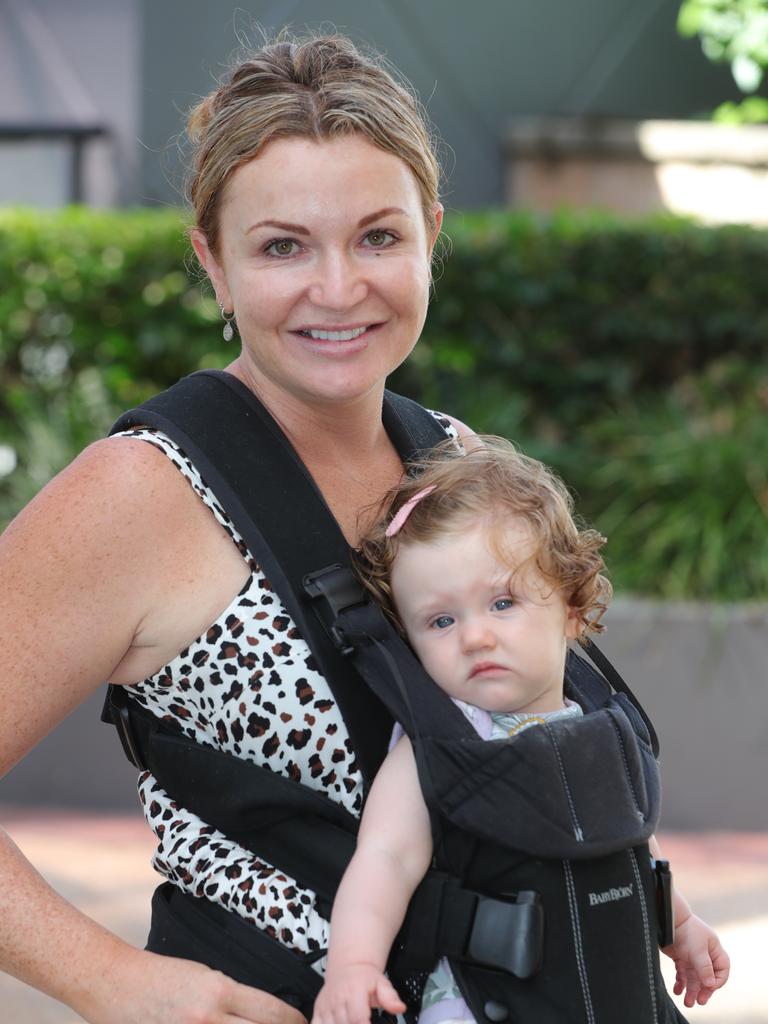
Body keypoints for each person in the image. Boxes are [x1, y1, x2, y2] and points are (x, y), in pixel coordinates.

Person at [0, 29, 725, 1024]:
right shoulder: (143, 491)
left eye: (378, 237)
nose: (338, 288)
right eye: (282, 246)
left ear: (432, 232)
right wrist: (112, 983)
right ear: (212, 262)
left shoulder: (456, 461)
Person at [311, 437, 730, 1024]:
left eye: (502, 603)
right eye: (440, 620)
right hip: (485, 1005)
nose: (474, 636)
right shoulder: (441, 749)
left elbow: (625, 841)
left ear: (573, 607)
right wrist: (353, 966)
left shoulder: (599, 726)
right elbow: (384, 860)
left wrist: (678, 923)